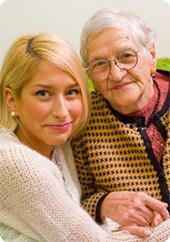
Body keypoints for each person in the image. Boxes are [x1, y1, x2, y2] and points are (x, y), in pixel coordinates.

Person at [2, 32, 170, 242]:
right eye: (43, 93)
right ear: (11, 100)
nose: (62, 112)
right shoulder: (16, 162)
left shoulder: (60, 145)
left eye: (71, 92)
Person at [71, 7, 170, 237]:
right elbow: (71, 199)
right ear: (91, 76)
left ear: (151, 55)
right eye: (100, 64)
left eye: (126, 56)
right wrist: (102, 205)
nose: (116, 74)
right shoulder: (81, 120)